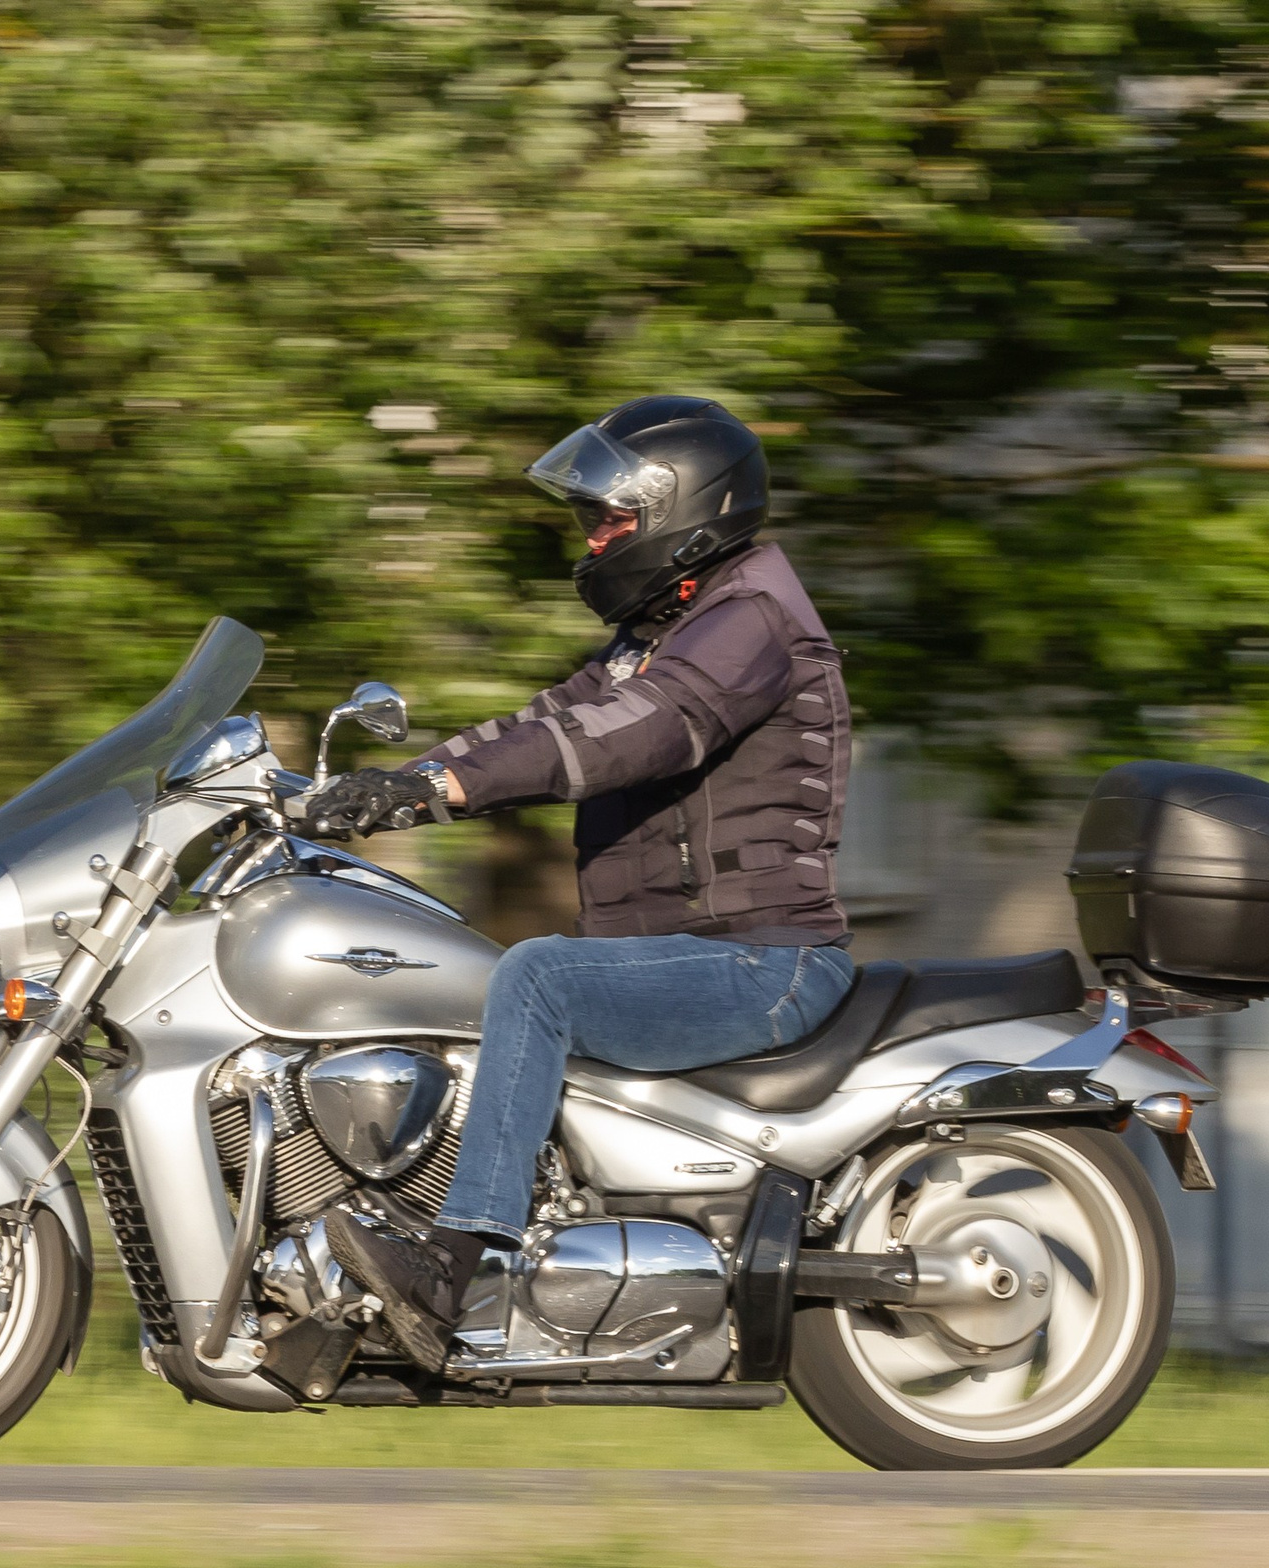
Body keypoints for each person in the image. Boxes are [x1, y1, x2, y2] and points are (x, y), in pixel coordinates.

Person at [302, 396, 858, 1372]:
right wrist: (376, 792)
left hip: (761, 959)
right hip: (688, 952)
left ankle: (453, 1268)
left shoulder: (749, 624)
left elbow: (635, 732)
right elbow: (543, 721)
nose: (594, 539)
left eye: (612, 520)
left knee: (538, 977)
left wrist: (436, 787)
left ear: (682, 508)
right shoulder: (667, 625)